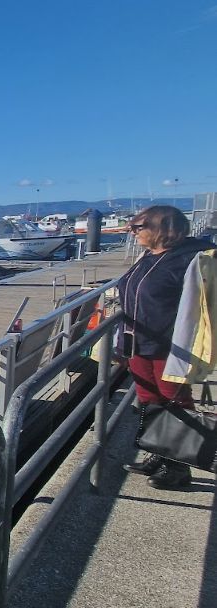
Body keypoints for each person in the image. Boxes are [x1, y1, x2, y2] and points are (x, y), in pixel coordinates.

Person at [120, 205, 212, 489]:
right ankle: (159, 453)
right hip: (137, 342)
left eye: (138, 228)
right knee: (149, 400)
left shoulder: (189, 260)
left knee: (176, 401)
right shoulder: (149, 255)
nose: (132, 233)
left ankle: (179, 467)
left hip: (169, 345)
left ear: (161, 230)